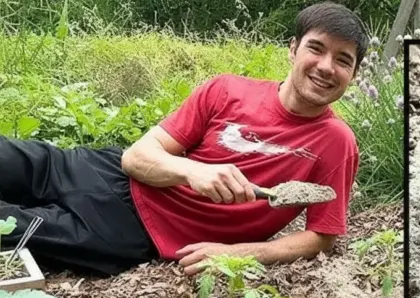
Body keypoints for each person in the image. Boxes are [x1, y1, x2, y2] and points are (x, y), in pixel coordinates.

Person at [0, 2, 367, 277]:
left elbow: (321, 236)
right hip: (105, 172)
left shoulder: (336, 142)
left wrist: (240, 252)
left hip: (137, 233)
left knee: (12, 225)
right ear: (293, 49)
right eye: (316, 48)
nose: (325, 67)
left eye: (343, 60)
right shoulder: (227, 89)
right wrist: (193, 172)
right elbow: (136, 157)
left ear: (352, 74)